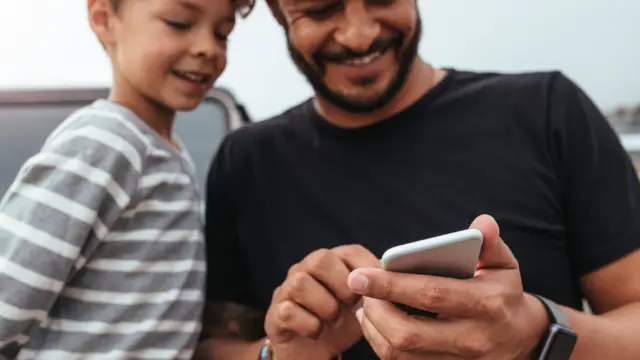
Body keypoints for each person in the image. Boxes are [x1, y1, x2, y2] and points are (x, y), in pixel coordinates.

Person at [198, 0, 640, 359]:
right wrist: (276, 355)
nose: (359, 35)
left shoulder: (546, 112)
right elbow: (212, 346)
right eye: (320, 10)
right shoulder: (246, 163)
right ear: (278, 11)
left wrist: (538, 334)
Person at [0, 0, 253, 358]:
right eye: (180, 23)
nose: (207, 48)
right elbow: (8, 296)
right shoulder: (103, 142)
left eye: (222, 33)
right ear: (104, 19)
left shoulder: (165, 153)